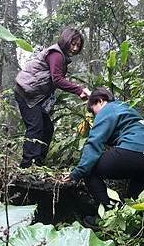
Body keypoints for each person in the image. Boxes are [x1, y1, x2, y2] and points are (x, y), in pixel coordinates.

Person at [63, 87, 144, 224]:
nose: (95, 116)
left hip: (133, 151)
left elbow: (94, 143)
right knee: (136, 188)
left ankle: (107, 216)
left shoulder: (108, 109)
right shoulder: (126, 108)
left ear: (100, 101)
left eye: (94, 111)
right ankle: (128, 220)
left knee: (90, 170)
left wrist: (77, 172)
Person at [14, 27, 91, 168]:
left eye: (78, 46)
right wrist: (79, 90)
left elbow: (54, 80)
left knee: (47, 127)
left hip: (34, 95)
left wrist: (79, 91)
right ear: (65, 40)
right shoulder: (56, 54)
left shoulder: (61, 56)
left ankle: (38, 162)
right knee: (35, 127)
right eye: (72, 44)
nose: (75, 48)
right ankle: (26, 165)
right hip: (26, 93)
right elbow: (57, 80)